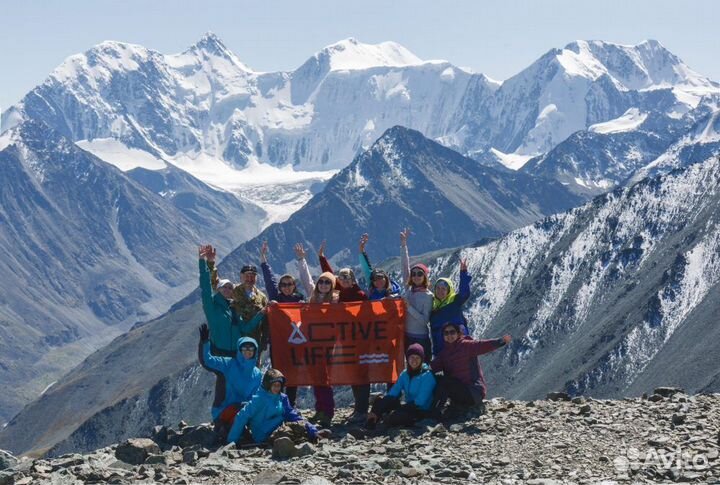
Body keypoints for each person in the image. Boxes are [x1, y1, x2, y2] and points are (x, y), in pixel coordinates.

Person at [317, 240, 370, 423]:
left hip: (359, 340)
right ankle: (358, 408)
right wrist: (322, 257)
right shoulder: (338, 291)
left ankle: (362, 409)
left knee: (362, 373)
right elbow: (330, 274)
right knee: (353, 373)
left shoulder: (360, 295)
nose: (344, 280)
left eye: (347, 277)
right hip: (345, 341)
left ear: (353, 279)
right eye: (342, 277)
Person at [295, 243, 337, 427]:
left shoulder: (336, 301)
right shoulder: (312, 296)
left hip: (328, 345)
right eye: (322, 281)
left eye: (328, 282)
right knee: (315, 377)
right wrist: (301, 259)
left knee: (325, 377)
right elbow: (305, 279)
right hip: (312, 344)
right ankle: (320, 409)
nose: (324, 284)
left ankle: (327, 411)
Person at [431, 322, 511, 419]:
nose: (449, 335)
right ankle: (432, 408)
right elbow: (433, 367)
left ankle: (436, 412)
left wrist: (500, 341)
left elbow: (482, 345)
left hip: (473, 391)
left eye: (452, 332)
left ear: (458, 333)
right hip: (459, 391)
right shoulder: (444, 354)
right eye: (446, 333)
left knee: (445, 382)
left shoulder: (466, 346)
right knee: (435, 379)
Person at [197, 324, 263, 441]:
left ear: (255, 351)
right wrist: (205, 342)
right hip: (223, 411)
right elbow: (207, 361)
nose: (248, 351)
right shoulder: (228, 364)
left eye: (251, 349)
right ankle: (227, 431)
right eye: (244, 348)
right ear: (239, 350)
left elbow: (256, 397)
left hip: (245, 410)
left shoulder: (257, 374)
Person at [259, 240, 305, 406]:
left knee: (293, 374)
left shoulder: (300, 299)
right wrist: (263, 259)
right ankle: (277, 403)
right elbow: (269, 279)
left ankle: (290, 405)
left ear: (294, 286)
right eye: (283, 285)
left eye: (289, 284)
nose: (286, 287)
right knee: (278, 373)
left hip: (295, 342)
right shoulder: (275, 298)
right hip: (278, 344)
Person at [199, 245, 266, 356]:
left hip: (253, 343)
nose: (249, 279)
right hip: (228, 347)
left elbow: (263, 322)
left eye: (252, 276)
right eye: (246, 276)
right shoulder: (233, 291)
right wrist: (209, 263)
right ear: (241, 276)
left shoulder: (262, 297)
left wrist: (264, 339)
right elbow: (212, 283)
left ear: (256, 278)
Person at [227, 369, 324, 445]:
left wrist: (311, 429)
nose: (277, 388)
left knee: (296, 417)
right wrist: (231, 441)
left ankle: (314, 433)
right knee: (291, 430)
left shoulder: (282, 398)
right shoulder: (259, 399)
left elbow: (293, 416)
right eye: (274, 385)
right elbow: (242, 416)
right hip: (262, 435)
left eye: (279, 385)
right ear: (267, 385)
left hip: (277, 429)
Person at [366, 343, 436, 429]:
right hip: (408, 406)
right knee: (379, 401)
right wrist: (380, 407)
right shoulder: (405, 374)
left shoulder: (427, 376)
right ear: (407, 358)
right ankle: (372, 421)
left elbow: (420, 401)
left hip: (421, 410)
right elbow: (394, 392)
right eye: (412, 357)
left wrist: (400, 409)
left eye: (417, 358)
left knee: (395, 417)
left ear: (422, 359)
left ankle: (388, 421)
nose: (414, 360)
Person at [399, 229, 434, 361]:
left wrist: (409, 308)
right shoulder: (409, 289)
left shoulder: (428, 295)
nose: (416, 276)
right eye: (414, 274)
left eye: (420, 274)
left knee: (423, 367)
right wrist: (403, 245)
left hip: (421, 337)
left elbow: (425, 321)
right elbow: (404, 267)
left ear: (425, 276)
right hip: (407, 336)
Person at [429, 258, 472, 356]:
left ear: (449, 291)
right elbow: (434, 333)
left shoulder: (455, 301)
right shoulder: (433, 307)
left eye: (443, 289)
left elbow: (464, 292)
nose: (440, 291)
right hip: (442, 350)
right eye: (438, 288)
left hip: (460, 347)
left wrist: (463, 273)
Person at [358, 233, 401, 300]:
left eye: (380, 277)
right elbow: (366, 268)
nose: (378, 281)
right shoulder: (372, 291)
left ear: (386, 278)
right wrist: (361, 249)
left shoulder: (395, 291)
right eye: (375, 279)